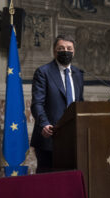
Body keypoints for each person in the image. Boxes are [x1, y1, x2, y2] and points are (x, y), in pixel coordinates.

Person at [30, 35, 84, 173]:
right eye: (61, 48)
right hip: (49, 138)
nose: (65, 51)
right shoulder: (43, 72)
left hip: (72, 139)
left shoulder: (78, 73)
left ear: (74, 51)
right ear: (54, 51)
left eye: (69, 48)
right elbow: (37, 103)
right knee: (48, 184)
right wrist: (44, 124)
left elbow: (80, 103)